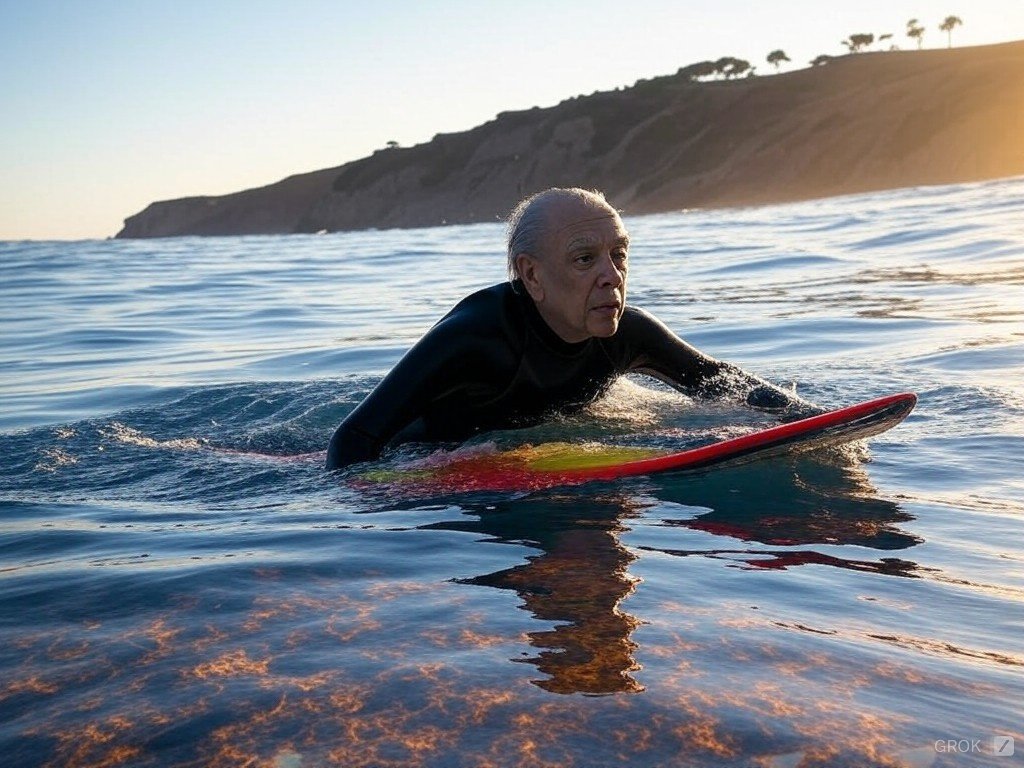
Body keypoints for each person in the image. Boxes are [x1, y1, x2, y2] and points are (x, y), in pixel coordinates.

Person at [325, 187, 817, 470]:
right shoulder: (474, 337)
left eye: (618, 253)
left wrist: (805, 414)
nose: (613, 274)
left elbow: (716, 379)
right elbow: (352, 441)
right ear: (532, 275)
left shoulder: (630, 334)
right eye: (586, 258)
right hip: (429, 454)